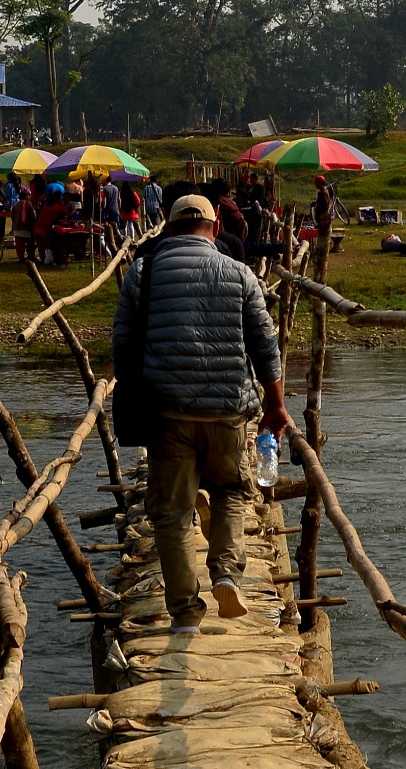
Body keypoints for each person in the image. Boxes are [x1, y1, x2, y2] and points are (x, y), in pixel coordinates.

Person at [111, 191, 287, 626]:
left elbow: (122, 342)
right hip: (228, 411)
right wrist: (276, 405)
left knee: (172, 513)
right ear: (213, 229)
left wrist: (137, 393)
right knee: (230, 491)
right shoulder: (239, 273)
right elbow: (265, 345)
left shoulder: (144, 272)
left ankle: (185, 612)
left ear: (169, 228)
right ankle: (226, 574)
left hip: (167, 413)